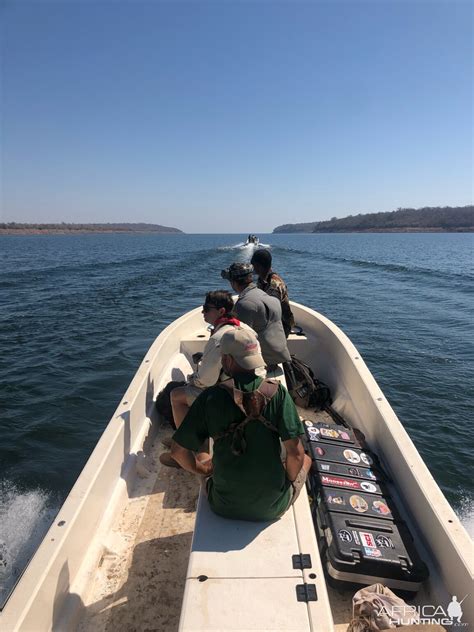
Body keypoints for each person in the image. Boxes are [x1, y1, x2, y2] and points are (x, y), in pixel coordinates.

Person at [170, 327, 312, 521]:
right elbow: (296, 454)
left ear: (227, 360)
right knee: (306, 460)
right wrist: (286, 480)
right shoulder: (278, 394)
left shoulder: (210, 397)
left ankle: (207, 467)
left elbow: (178, 452)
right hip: (271, 508)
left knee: (204, 457)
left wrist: (202, 471)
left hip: (222, 505)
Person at [159, 290, 240, 468]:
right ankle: (192, 442)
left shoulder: (218, 338)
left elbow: (206, 380)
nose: (202, 312)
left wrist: (191, 380)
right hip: (242, 389)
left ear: (220, 312)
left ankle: (184, 450)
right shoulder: (239, 328)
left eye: (206, 309)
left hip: (227, 396)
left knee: (176, 395)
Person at [221, 262, 291, 368]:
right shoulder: (270, 298)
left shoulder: (244, 304)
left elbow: (239, 340)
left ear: (233, 282)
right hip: (279, 358)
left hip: (263, 363)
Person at [250, 249, 295, 338]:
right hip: (271, 322)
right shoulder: (262, 280)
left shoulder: (274, 284)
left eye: (254, 265)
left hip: (280, 326)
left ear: (259, 266)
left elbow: (273, 312)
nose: (252, 267)